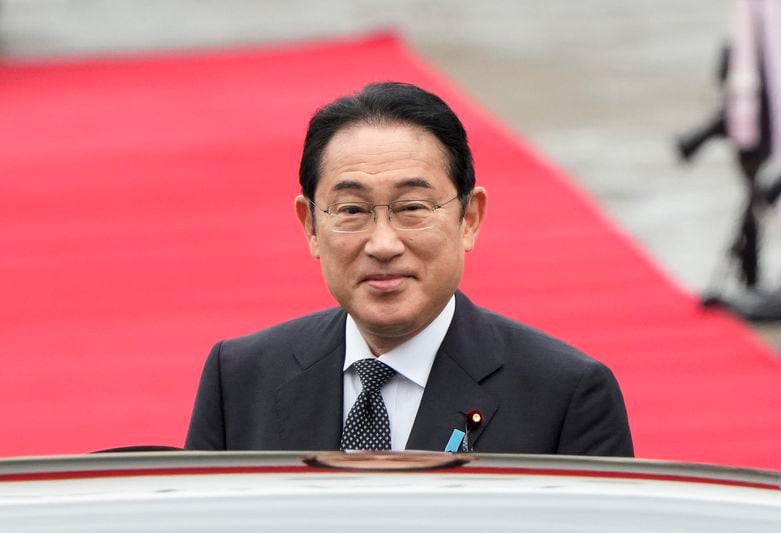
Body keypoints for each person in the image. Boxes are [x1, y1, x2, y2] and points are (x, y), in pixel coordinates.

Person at [185, 81, 634, 456]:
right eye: (352, 210)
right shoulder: (241, 377)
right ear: (311, 226)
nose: (383, 244)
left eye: (413, 207)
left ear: (469, 218)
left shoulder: (565, 395)